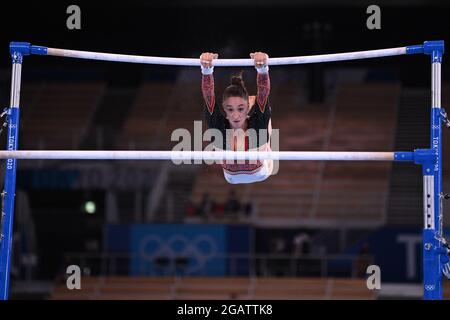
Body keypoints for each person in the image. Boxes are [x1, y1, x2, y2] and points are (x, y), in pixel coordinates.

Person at [199, 51, 274, 184]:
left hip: (262, 172)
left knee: (264, 113)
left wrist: (262, 68)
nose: (235, 115)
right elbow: (208, 98)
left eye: (240, 109)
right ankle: (252, 103)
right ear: (224, 110)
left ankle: (253, 104)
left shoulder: (256, 129)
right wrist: (206, 69)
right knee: (262, 113)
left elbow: (264, 93)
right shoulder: (220, 129)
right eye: (230, 109)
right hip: (231, 177)